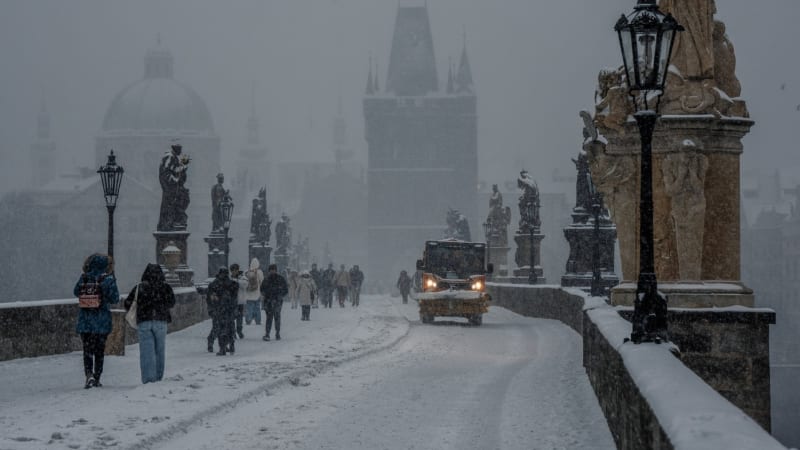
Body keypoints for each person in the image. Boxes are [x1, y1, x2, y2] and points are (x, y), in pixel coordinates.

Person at [74, 253, 120, 389]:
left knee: (87, 350)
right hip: (102, 321)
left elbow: (76, 292)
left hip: (85, 321)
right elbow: (115, 299)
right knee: (99, 351)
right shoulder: (108, 279)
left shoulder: (84, 277)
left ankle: (89, 375)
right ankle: (97, 377)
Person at [124, 263, 175, 384]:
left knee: (147, 351)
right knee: (159, 350)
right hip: (160, 321)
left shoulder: (139, 287)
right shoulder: (166, 287)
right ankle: (158, 376)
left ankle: (148, 379)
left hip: (144, 322)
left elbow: (127, 304)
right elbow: (172, 302)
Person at [207, 267, 238, 355]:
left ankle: (224, 347)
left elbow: (210, 298)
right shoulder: (229, 284)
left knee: (223, 329)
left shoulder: (217, 284)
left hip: (223, 310)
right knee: (225, 329)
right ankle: (226, 346)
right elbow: (210, 297)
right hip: (223, 310)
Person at [260, 264, 288, 341]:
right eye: (271, 270)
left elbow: (285, 290)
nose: (272, 271)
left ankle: (277, 333)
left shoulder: (279, 279)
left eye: (273, 269)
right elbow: (262, 289)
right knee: (270, 318)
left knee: (276, 317)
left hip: (276, 300)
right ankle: (268, 333)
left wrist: (280, 295)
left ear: (276, 270)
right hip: (270, 301)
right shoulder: (267, 279)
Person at [243, 258, 264, 325]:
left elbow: (244, 282)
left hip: (248, 293)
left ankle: (248, 320)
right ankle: (258, 320)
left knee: (249, 308)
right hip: (257, 293)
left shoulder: (246, 272)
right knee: (257, 307)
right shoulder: (259, 272)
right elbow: (262, 282)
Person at [230, 263, 248, 339]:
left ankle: (239, 331)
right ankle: (233, 332)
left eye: (235, 270)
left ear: (237, 270)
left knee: (239, 317)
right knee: (232, 318)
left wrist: (236, 281)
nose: (234, 272)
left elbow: (245, 285)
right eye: (232, 270)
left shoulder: (243, 277)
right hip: (231, 301)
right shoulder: (229, 278)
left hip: (240, 301)